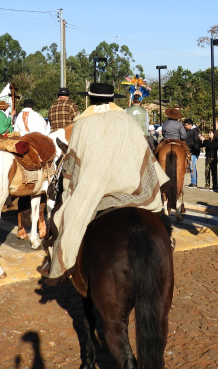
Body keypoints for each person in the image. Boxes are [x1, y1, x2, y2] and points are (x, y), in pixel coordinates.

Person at [42, 83, 170, 280]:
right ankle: (169, 243)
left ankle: (63, 263)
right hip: (134, 190)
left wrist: (69, 185)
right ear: (112, 99)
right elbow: (145, 155)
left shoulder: (82, 124)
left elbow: (72, 166)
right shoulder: (128, 121)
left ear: (91, 99)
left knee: (67, 218)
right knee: (162, 220)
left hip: (95, 191)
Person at [184, 119, 202, 188]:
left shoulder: (195, 131)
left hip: (194, 151)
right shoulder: (189, 131)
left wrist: (193, 149)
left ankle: (194, 183)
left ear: (190, 124)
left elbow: (196, 142)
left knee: (192, 166)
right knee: (191, 166)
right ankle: (194, 182)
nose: (185, 126)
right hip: (190, 151)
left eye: (186, 125)